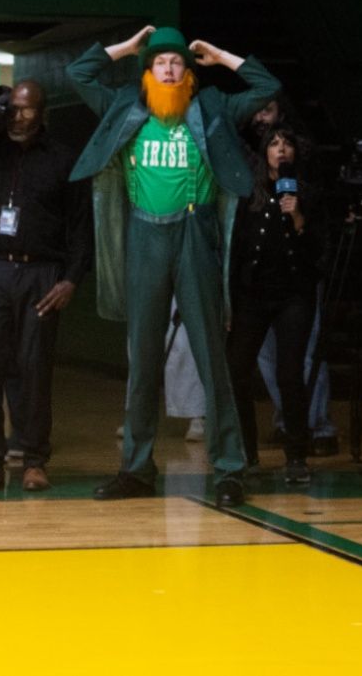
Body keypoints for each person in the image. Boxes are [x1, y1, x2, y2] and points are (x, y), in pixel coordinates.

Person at [70, 25, 276, 506]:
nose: (168, 68)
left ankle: (229, 468)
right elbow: (77, 73)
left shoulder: (212, 109)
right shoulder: (125, 106)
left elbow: (266, 87)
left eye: (177, 62)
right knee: (142, 356)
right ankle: (136, 468)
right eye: (160, 62)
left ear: (189, 74)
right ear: (147, 73)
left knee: (210, 353)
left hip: (194, 232)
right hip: (145, 234)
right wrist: (126, 48)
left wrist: (220, 53)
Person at [0, 79, 89, 494]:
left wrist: (71, 280)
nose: (19, 117)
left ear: (42, 112)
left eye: (27, 109)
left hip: (42, 272)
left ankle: (34, 460)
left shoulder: (63, 159)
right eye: (14, 109)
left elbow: (81, 228)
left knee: (34, 368)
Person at [226, 123, 321, 484]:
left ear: (296, 153)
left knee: (289, 374)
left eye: (287, 144)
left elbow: (317, 249)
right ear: (264, 151)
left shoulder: (307, 193)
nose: (281, 149)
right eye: (274, 143)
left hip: (293, 295)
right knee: (237, 371)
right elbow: (236, 249)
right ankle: (245, 453)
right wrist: (229, 301)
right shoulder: (247, 194)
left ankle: (297, 455)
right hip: (252, 295)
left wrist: (298, 216)